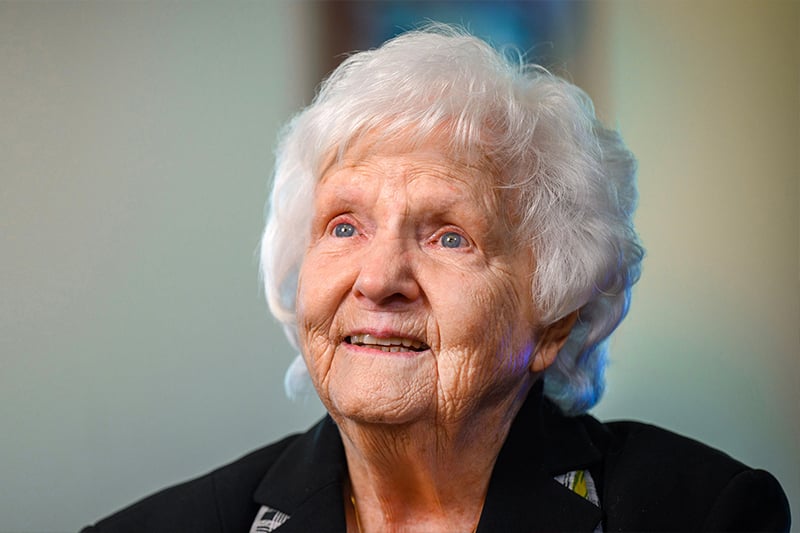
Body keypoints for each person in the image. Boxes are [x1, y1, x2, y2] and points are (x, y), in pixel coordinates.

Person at [83, 24, 790, 532]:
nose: (380, 278)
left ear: (553, 317)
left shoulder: (703, 511)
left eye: (450, 235)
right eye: (344, 226)